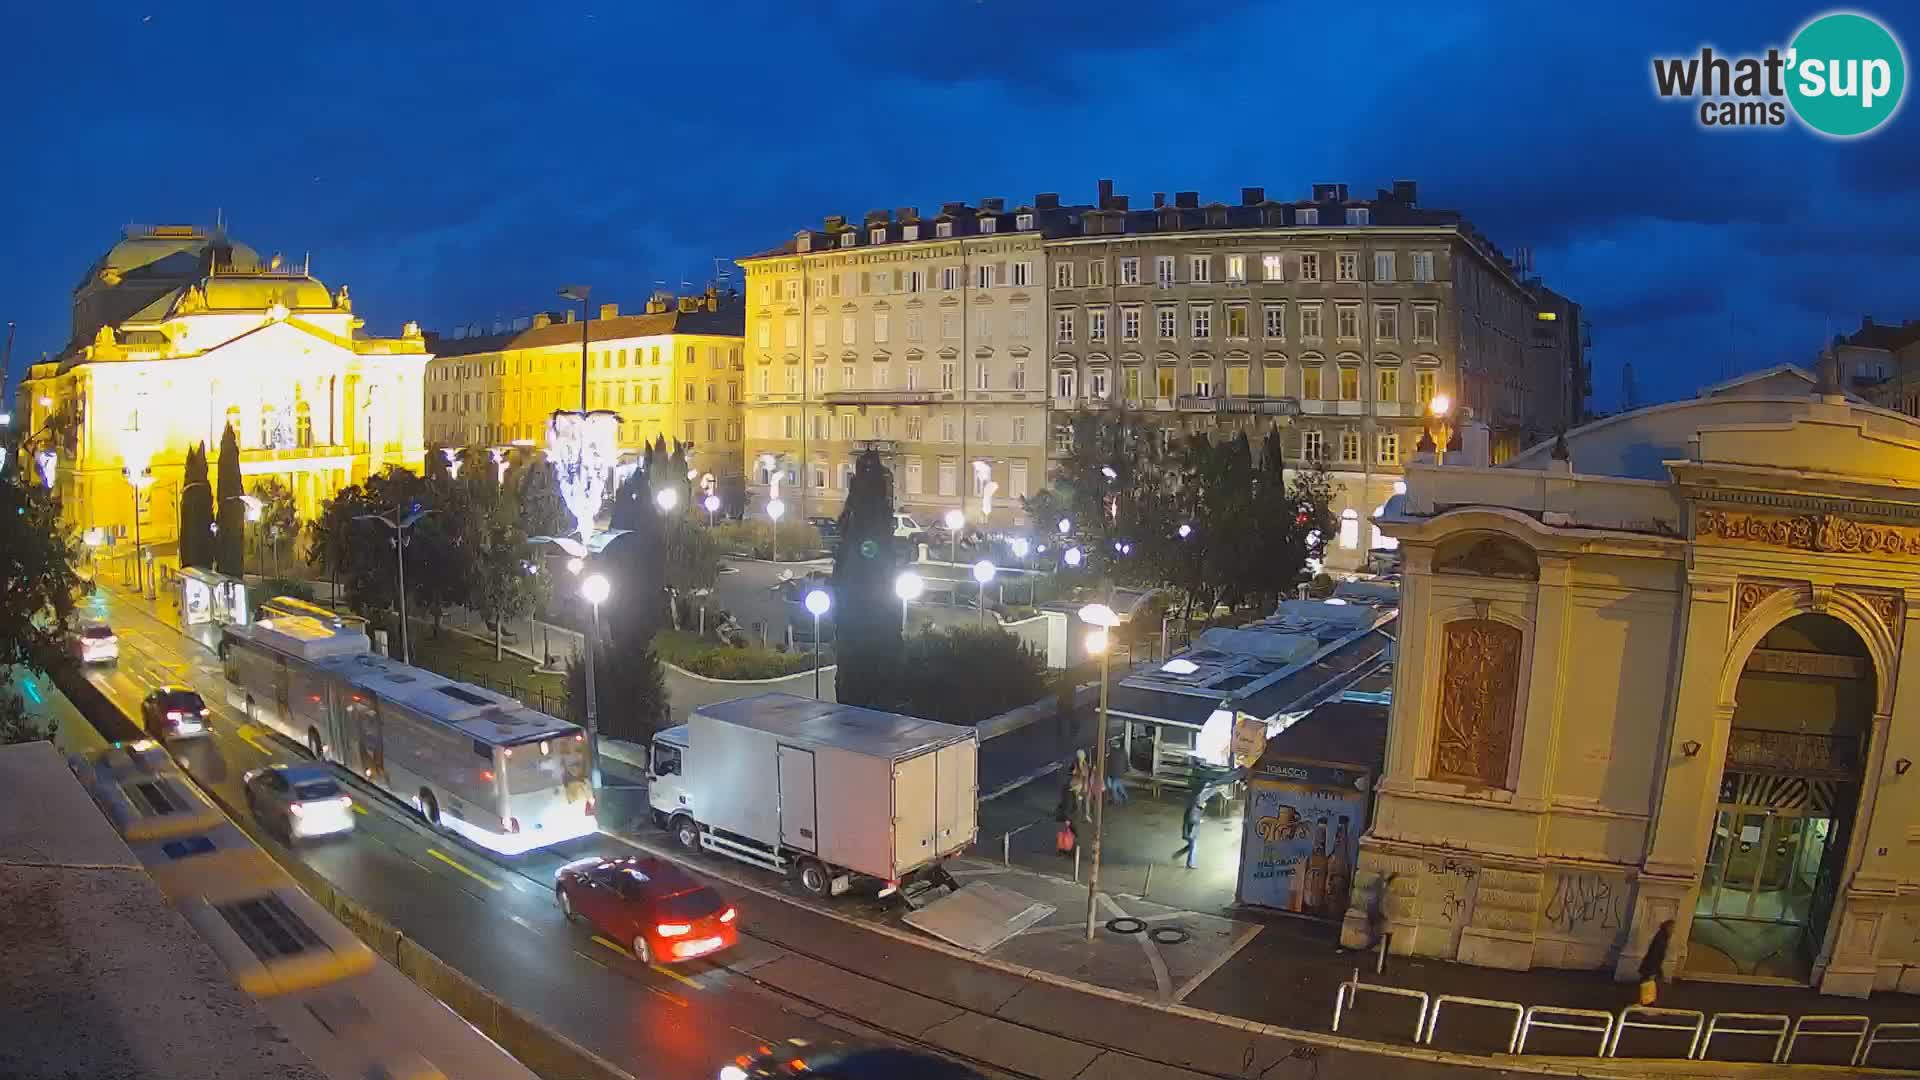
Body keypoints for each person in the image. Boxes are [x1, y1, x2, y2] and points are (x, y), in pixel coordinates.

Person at [1638, 919, 1675, 1005]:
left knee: (1649, 984)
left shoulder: (1662, 936)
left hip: (1652, 966)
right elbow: (1655, 955)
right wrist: (1653, 971)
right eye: (1672, 928)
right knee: (1651, 985)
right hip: (1652, 966)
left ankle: (1647, 1002)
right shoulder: (1661, 938)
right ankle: (1647, 1004)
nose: (1673, 930)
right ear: (1668, 927)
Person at [1172, 795, 1204, 869]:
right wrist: (1199, 821)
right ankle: (1189, 864)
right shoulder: (1193, 809)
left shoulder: (1195, 808)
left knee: (1191, 846)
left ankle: (1177, 854)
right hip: (1189, 832)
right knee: (1193, 846)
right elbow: (1191, 819)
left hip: (1191, 831)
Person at [1105, 738, 1129, 805]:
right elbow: (1126, 761)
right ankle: (1125, 797)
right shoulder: (1123, 751)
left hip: (1113, 772)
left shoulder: (1112, 752)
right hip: (1120, 772)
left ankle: (1117, 800)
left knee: (1113, 787)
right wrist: (1126, 769)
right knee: (1118, 784)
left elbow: (1108, 760)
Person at [1069, 749, 1091, 821]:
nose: (1083, 756)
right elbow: (1071, 772)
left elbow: (1086, 775)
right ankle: (1081, 816)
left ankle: (1086, 815)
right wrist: (1074, 772)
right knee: (1079, 801)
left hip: (1084, 786)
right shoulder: (1076, 763)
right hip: (1079, 786)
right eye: (1082, 755)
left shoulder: (1085, 764)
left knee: (1086, 800)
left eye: (1083, 755)